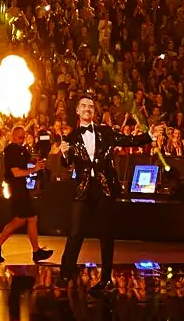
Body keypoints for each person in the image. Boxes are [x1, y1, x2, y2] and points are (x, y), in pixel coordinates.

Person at [57, 95, 157, 292]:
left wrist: (149, 136)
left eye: (91, 106)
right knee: (76, 233)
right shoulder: (71, 137)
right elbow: (67, 165)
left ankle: (106, 280)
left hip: (104, 188)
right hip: (83, 189)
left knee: (106, 234)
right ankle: (65, 275)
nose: (88, 108)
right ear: (77, 111)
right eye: (84, 105)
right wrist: (63, 153)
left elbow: (128, 141)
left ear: (94, 112)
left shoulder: (105, 132)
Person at [0, 125, 53, 263]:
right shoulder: (11, 150)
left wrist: (37, 160)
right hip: (16, 188)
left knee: (26, 219)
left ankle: (34, 251)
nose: (22, 138)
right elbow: (16, 172)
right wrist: (34, 169)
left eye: (24, 136)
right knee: (24, 219)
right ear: (13, 136)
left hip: (21, 188)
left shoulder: (21, 149)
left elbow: (28, 159)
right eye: (20, 136)